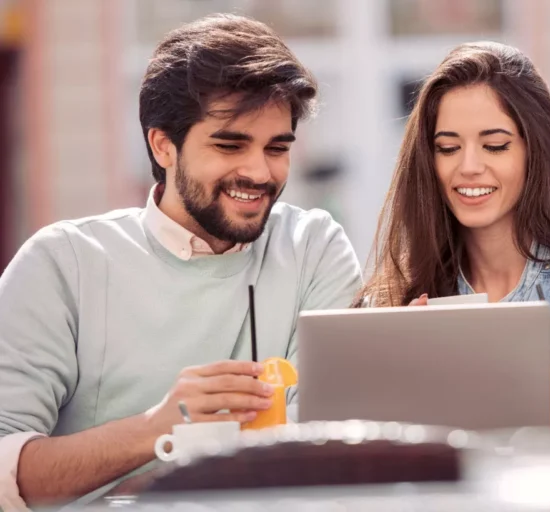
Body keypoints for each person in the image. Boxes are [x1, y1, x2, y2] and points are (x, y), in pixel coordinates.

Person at [0, 14, 361, 508]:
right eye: (230, 144)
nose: (258, 171)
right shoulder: (62, 263)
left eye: (276, 148)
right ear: (163, 145)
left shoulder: (314, 247)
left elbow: (327, 437)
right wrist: (157, 428)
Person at [355, 41, 550, 472]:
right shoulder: (409, 297)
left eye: (495, 146)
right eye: (447, 148)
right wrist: (404, 374)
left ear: (533, 151)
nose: (468, 166)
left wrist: (452, 373)